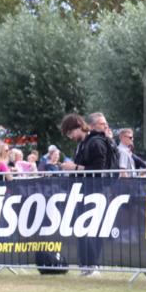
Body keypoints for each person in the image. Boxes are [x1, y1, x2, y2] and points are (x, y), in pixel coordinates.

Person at [60, 112, 117, 275]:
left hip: (97, 191)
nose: (70, 137)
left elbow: (99, 170)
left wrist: (75, 168)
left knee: (92, 229)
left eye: (70, 133)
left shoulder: (96, 143)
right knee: (81, 229)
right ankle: (85, 265)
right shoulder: (82, 144)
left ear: (78, 127)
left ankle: (92, 265)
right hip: (84, 191)